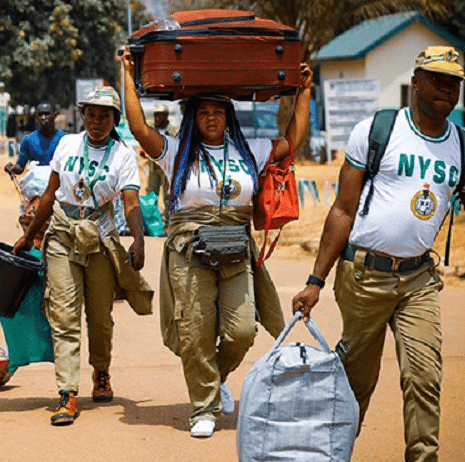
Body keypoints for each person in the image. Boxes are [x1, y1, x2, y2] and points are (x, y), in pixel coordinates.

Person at [292, 46, 465, 462]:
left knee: (423, 376)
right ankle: (331, 453)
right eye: (438, 80)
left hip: (418, 280)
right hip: (364, 276)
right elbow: (343, 210)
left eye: (454, 83)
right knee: (357, 383)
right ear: (416, 81)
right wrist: (316, 281)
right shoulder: (377, 131)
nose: (447, 90)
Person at [122, 49, 313, 438]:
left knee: (242, 330)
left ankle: (215, 377)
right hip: (188, 251)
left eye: (219, 112)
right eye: (204, 112)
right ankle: (203, 408)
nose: (212, 118)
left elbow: (293, 139)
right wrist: (126, 72)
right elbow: (140, 129)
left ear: (228, 117)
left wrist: (305, 92)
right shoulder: (176, 152)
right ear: (193, 117)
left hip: (236, 250)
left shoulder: (250, 151)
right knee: (195, 331)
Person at [13, 86, 153, 427]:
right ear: (82, 116)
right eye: (90, 114)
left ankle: (101, 371)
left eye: (104, 116)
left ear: (114, 120)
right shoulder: (67, 144)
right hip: (62, 234)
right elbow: (50, 194)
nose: (96, 121)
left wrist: (138, 240)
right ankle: (68, 393)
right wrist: (30, 234)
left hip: (101, 240)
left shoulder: (122, 155)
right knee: (63, 314)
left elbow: (131, 202)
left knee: (100, 317)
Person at [4, 102, 65, 175]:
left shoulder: (64, 139)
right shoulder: (28, 140)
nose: (43, 117)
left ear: (54, 116)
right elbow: (20, 166)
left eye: (46, 114)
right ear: (36, 118)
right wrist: (13, 168)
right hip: (37, 184)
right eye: (40, 115)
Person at [146, 103, 178, 226]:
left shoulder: (172, 131)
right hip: (153, 168)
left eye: (160, 115)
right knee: (151, 196)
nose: (157, 118)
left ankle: (167, 223)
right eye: (156, 115)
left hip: (166, 169)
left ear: (166, 116)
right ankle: (152, 223)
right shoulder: (150, 129)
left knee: (167, 197)